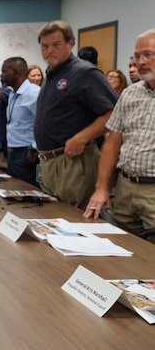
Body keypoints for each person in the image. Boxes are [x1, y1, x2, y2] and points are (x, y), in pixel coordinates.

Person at [34, 20, 117, 209]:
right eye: (45, 46)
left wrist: (82, 137)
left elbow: (114, 113)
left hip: (72, 160)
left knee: (71, 217)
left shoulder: (84, 72)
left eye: (56, 45)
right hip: (49, 161)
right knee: (52, 217)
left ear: (70, 43)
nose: (49, 51)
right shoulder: (51, 74)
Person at [84, 29, 155, 233]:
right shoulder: (130, 94)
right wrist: (101, 188)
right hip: (125, 188)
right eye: (137, 56)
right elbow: (113, 142)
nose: (141, 62)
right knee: (123, 250)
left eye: (148, 55)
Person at [0, 57, 40, 185]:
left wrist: (34, 148)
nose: (1, 76)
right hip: (13, 151)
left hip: (27, 153)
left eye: (4, 72)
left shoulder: (33, 93)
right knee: (14, 191)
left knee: (27, 194)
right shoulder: (13, 93)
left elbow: (46, 123)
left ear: (16, 73)